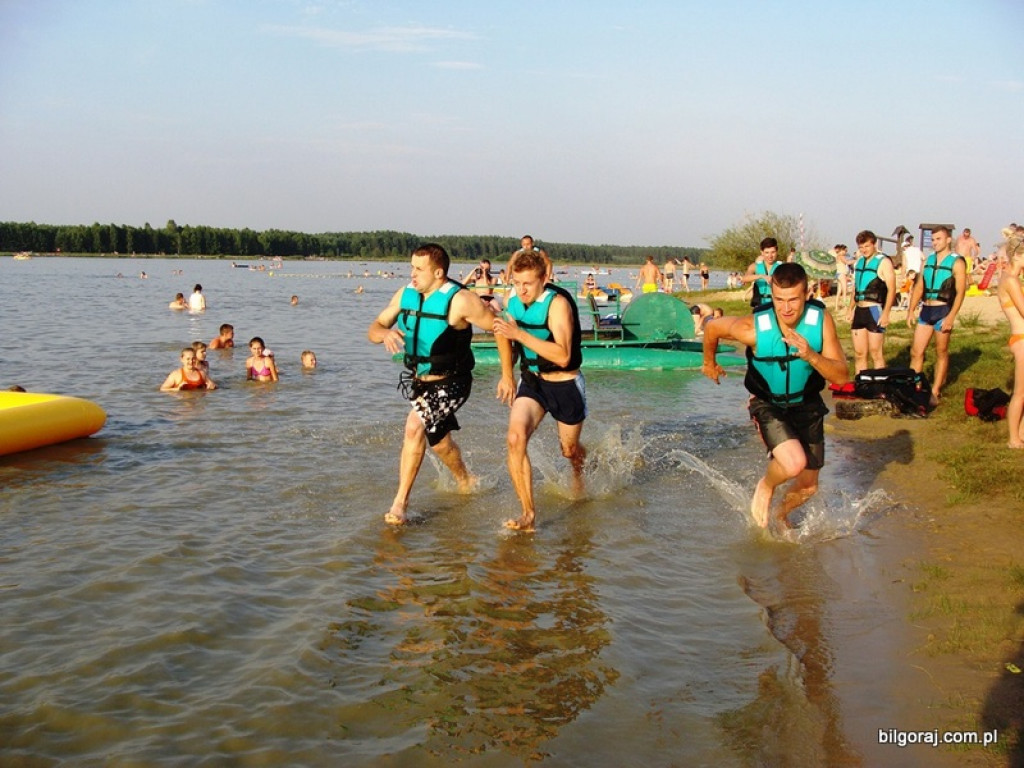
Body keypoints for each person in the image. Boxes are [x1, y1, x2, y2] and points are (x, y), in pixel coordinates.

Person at [702, 262, 848, 530]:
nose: (786, 308)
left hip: (807, 404)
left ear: (807, 294)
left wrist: (811, 355)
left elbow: (841, 376)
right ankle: (766, 485)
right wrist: (709, 364)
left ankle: (780, 516)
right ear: (771, 295)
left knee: (808, 487)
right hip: (768, 404)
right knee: (794, 464)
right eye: (779, 300)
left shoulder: (820, 321)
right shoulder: (753, 327)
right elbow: (712, 328)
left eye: (794, 299)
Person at [368, 243, 503, 526]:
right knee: (439, 443)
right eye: (411, 268)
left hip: (454, 381)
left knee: (414, 426)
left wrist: (508, 375)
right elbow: (374, 327)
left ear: (438, 272)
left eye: (419, 269)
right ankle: (466, 480)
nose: (412, 275)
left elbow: (500, 328)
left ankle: (399, 504)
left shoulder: (461, 301)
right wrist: (384, 333)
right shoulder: (406, 295)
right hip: (420, 382)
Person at [492, 249, 586, 532]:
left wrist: (520, 335)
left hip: (564, 383)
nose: (521, 290)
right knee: (515, 437)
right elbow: (500, 330)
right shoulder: (512, 298)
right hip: (532, 380)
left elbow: (563, 355)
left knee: (568, 451)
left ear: (544, 279)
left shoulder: (557, 305)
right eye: (517, 283)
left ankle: (580, 469)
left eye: (528, 284)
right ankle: (527, 513)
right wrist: (507, 375)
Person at [907, 225, 967, 405]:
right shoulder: (928, 261)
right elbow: (919, 286)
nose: (935, 243)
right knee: (916, 351)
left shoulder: (957, 262)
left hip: (943, 310)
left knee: (941, 351)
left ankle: (935, 390)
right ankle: (914, 388)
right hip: (927, 309)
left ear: (948, 240)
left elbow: (961, 291)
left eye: (938, 239)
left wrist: (951, 317)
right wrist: (910, 310)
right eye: (933, 240)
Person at [848, 230, 896, 373]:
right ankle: (861, 384)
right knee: (859, 354)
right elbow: (856, 288)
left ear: (874, 244)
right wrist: (850, 309)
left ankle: (879, 386)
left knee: (876, 352)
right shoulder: (859, 263)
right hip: (860, 311)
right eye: (861, 247)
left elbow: (892, 289)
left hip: (874, 310)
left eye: (867, 246)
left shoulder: (884, 262)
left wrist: (886, 313)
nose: (864, 250)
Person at [997, 228, 1024, 448]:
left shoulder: (1010, 277)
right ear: (1017, 255)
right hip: (1021, 339)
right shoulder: (1011, 281)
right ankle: (1013, 438)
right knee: (1020, 393)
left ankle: (1021, 431)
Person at [742, 237, 780, 308]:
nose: (770, 256)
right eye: (767, 253)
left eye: (773, 252)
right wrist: (761, 276)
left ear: (777, 251)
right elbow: (744, 278)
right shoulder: (755, 266)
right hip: (759, 303)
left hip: (776, 303)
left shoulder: (782, 266)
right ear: (762, 252)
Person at [832, 244, 851, 311]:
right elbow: (847, 262)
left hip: (838, 274)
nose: (845, 252)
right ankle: (845, 306)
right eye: (845, 250)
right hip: (842, 274)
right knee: (844, 290)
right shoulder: (841, 256)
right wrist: (855, 260)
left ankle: (836, 307)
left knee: (839, 291)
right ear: (842, 250)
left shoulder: (837, 256)